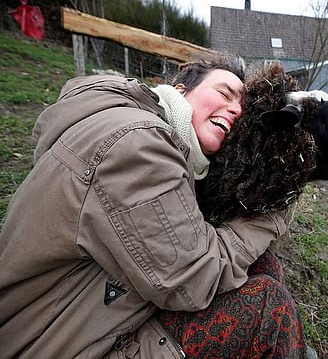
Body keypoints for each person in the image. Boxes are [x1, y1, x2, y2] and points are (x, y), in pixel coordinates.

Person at [0, 56, 310, 358]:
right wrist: (277, 207)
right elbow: (193, 280)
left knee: (265, 267)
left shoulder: (149, 136)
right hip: (49, 343)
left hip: (85, 308)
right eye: (224, 93)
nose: (234, 109)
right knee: (270, 311)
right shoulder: (140, 146)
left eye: (241, 109)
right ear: (180, 90)